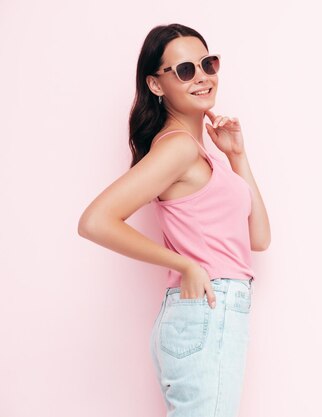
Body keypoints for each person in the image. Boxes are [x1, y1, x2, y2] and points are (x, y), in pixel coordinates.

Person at [77, 23, 271, 417]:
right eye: (184, 70)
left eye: (207, 64)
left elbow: (260, 238)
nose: (201, 76)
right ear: (156, 84)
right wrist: (183, 263)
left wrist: (237, 156)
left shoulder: (203, 152)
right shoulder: (178, 148)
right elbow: (95, 220)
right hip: (205, 308)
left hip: (210, 311)